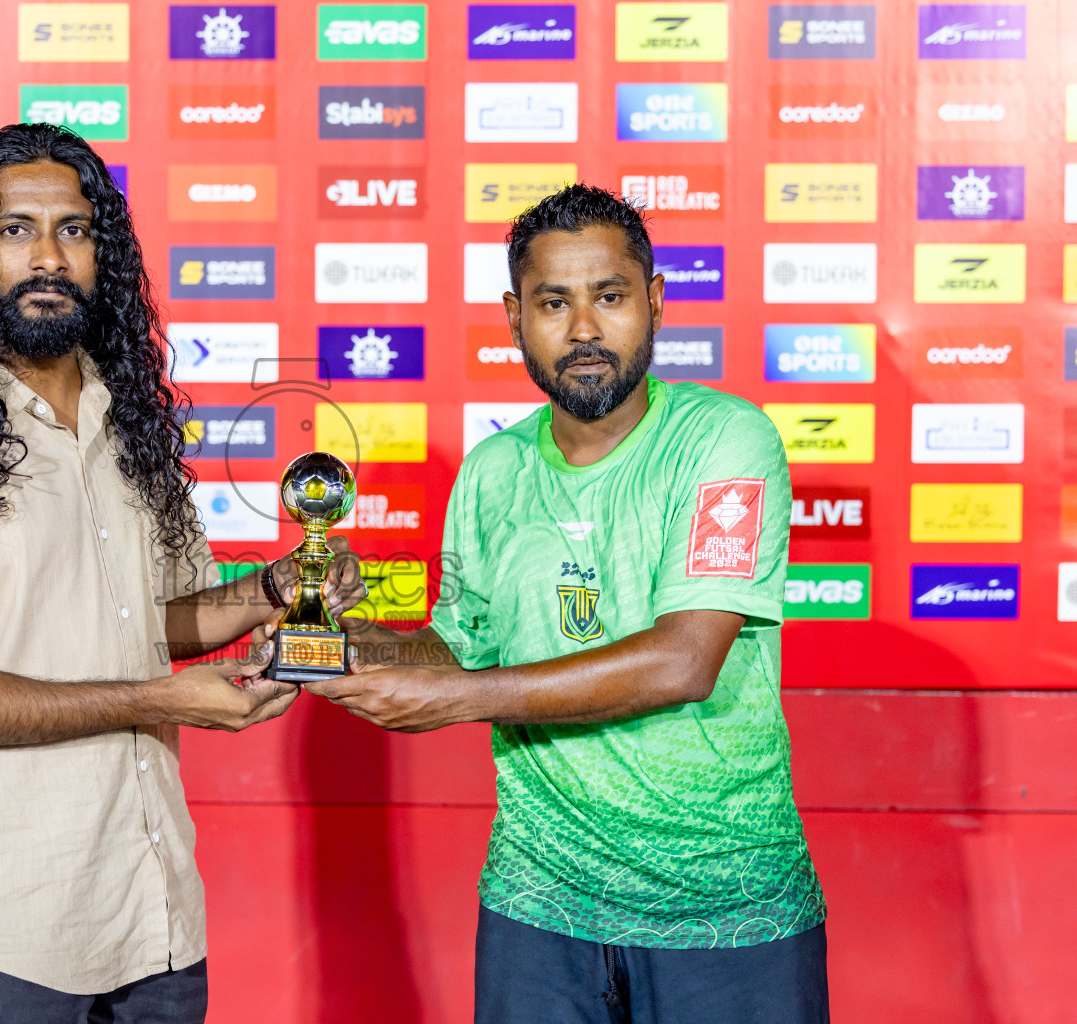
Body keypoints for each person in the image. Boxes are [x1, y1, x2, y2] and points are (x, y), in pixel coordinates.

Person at [0, 123, 365, 1024]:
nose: (48, 255)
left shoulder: (129, 429)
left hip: (153, 918)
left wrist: (284, 584)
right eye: (16, 230)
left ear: (106, 254)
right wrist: (162, 701)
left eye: (74, 231)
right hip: (5, 940)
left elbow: (150, 622)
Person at [295, 185, 829, 1023]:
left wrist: (454, 700)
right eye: (553, 302)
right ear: (515, 317)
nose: (583, 329)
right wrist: (339, 639)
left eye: (609, 297)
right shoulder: (494, 470)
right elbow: (458, 644)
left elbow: (684, 661)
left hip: (724, 904)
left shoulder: (726, 438)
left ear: (653, 301)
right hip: (537, 906)